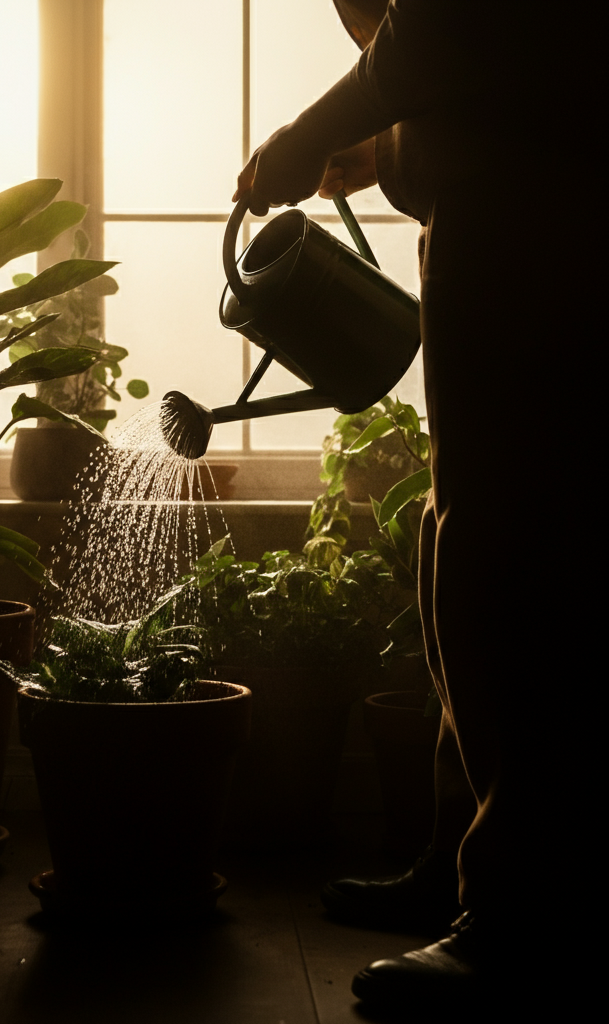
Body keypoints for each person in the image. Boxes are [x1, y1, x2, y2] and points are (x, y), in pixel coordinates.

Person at [235, 0, 593, 1010]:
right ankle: (467, 863)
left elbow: (450, 23)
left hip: (540, 226)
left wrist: (308, 134)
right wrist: (384, 141)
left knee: (513, 556)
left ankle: (523, 910)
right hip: (503, 218)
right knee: (465, 539)